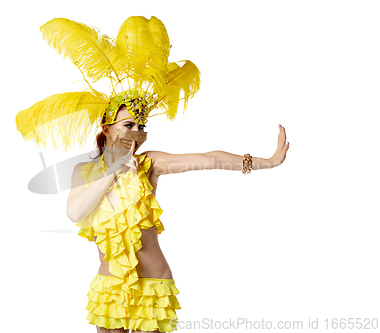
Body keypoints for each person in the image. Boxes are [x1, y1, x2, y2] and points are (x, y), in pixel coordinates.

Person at [16, 16, 289, 333]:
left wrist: (266, 161)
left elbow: (207, 158)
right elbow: (75, 212)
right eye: (128, 125)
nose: (137, 132)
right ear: (107, 128)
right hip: (109, 288)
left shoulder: (150, 164)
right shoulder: (85, 170)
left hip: (153, 288)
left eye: (141, 126)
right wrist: (113, 170)